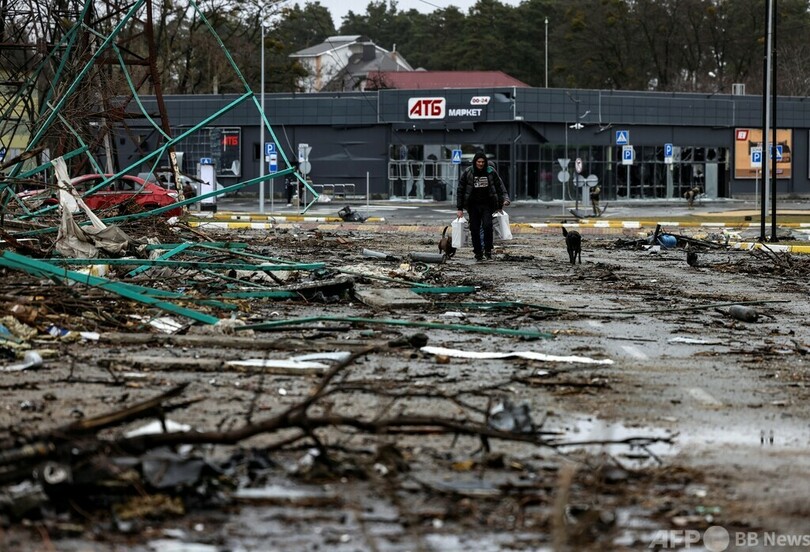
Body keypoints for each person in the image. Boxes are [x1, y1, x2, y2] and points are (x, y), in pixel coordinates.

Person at [456, 152, 505, 261]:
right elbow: (460, 189)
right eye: (479, 162)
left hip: (487, 204)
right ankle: (478, 252)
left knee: (487, 226)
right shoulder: (469, 172)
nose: (481, 164)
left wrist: (499, 205)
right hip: (473, 206)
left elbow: (499, 188)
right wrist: (459, 208)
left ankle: (488, 250)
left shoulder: (491, 172)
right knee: (474, 229)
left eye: (483, 162)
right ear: (475, 162)